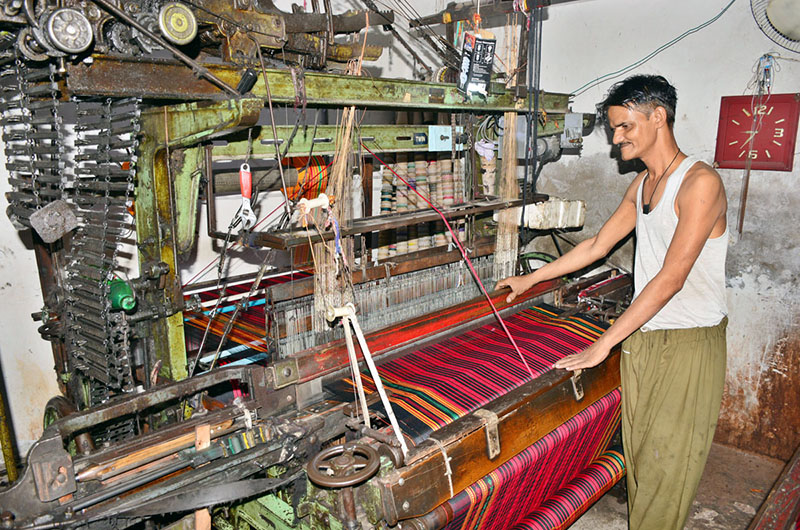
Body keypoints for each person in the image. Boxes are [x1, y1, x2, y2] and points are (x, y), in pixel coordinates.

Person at [496, 74, 728, 530]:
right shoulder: (642, 184)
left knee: (667, 464)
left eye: (624, 126)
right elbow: (597, 245)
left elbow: (671, 279)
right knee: (641, 454)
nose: (616, 138)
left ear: (658, 117)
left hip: (687, 340)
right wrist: (530, 280)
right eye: (614, 128)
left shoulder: (699, 182)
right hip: (644, 336)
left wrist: (603, 343)